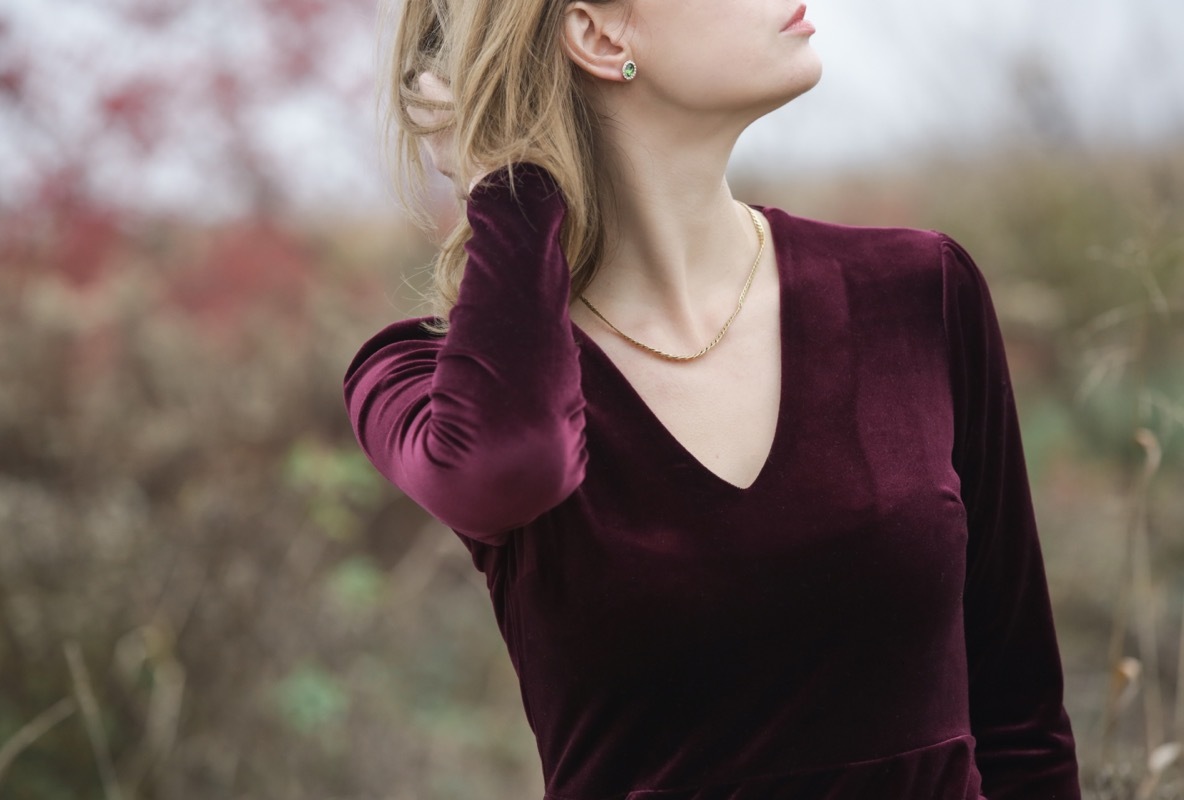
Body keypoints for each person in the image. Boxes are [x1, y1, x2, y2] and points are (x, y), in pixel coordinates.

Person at [344, 1, 1083, 798]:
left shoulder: (914, 291)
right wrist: (511, 180)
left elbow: (1022, 727)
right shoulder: (432, 375)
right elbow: (512, 462)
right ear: (599, 33)